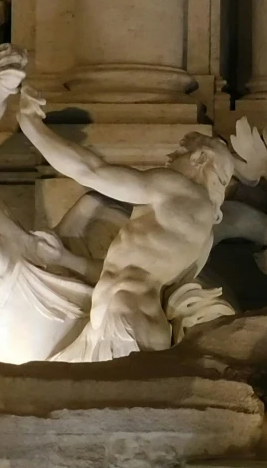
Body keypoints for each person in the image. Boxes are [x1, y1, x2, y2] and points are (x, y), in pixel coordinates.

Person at [15, 89, 237, 362]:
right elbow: (127, 272)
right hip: (124, 321)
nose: (170, 157)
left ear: (200, 158)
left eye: (181, 151)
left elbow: (91, 171)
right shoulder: (203, 235)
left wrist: (31, 125)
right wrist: (64, 258)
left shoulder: (178, 188)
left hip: (127, 321)